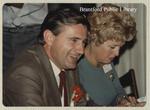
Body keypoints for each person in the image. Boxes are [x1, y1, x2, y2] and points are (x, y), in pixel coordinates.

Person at [3, 7, 89, 106]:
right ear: (49, 38)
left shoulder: (68, 64)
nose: (81, 50)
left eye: (84, 43)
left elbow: (82, 103)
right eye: (74, 40)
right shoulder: (25, 74)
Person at [77, 3, 142, 106]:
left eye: (120, 47)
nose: (117, 53)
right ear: (94, 38)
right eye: (112, 47)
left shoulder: (106, 62)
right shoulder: (75, 70)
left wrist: (123, 100)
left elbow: (118, 90)